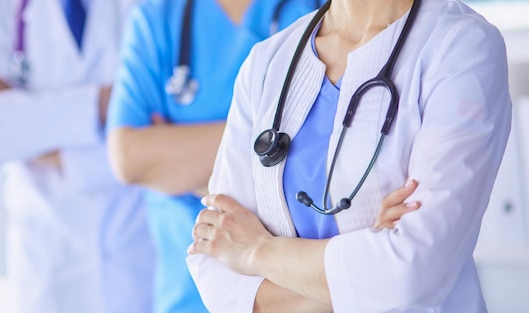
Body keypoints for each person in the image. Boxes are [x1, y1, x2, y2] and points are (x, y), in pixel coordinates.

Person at [186, 0, 512, 311]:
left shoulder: (460, 47)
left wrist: (255, 250)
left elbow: (413, 271)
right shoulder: (268, 61)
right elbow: (217, 262)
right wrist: (363, 271)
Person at [105, 0, 324, 311]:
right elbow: (129, 159)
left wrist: (181, 160)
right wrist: (279, 147)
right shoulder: (158, 19)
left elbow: (334, 156)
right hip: (187, 296)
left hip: (296, 289)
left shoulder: (317, 11)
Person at [0, 0, 155, 312]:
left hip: (142, 245)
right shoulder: (2, 7)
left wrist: (42, 141)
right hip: (49, 256)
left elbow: (162, 126)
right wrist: (99, 103)